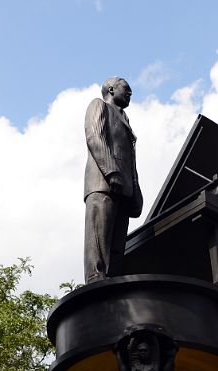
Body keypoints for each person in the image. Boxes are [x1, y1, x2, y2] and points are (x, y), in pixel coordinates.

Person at [83, 76, 142, 281]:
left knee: (117, 249)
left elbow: (131, 162)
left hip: (124, 191)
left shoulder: (125, 120)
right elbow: (95, 137)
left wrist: (136, 191)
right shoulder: (98, 106)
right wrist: (112, 172)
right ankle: (95, 279)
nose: (130, 93)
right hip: (102, 184)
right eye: (126, 88)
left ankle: (114, 283)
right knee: (98, 239)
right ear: (110, 89)